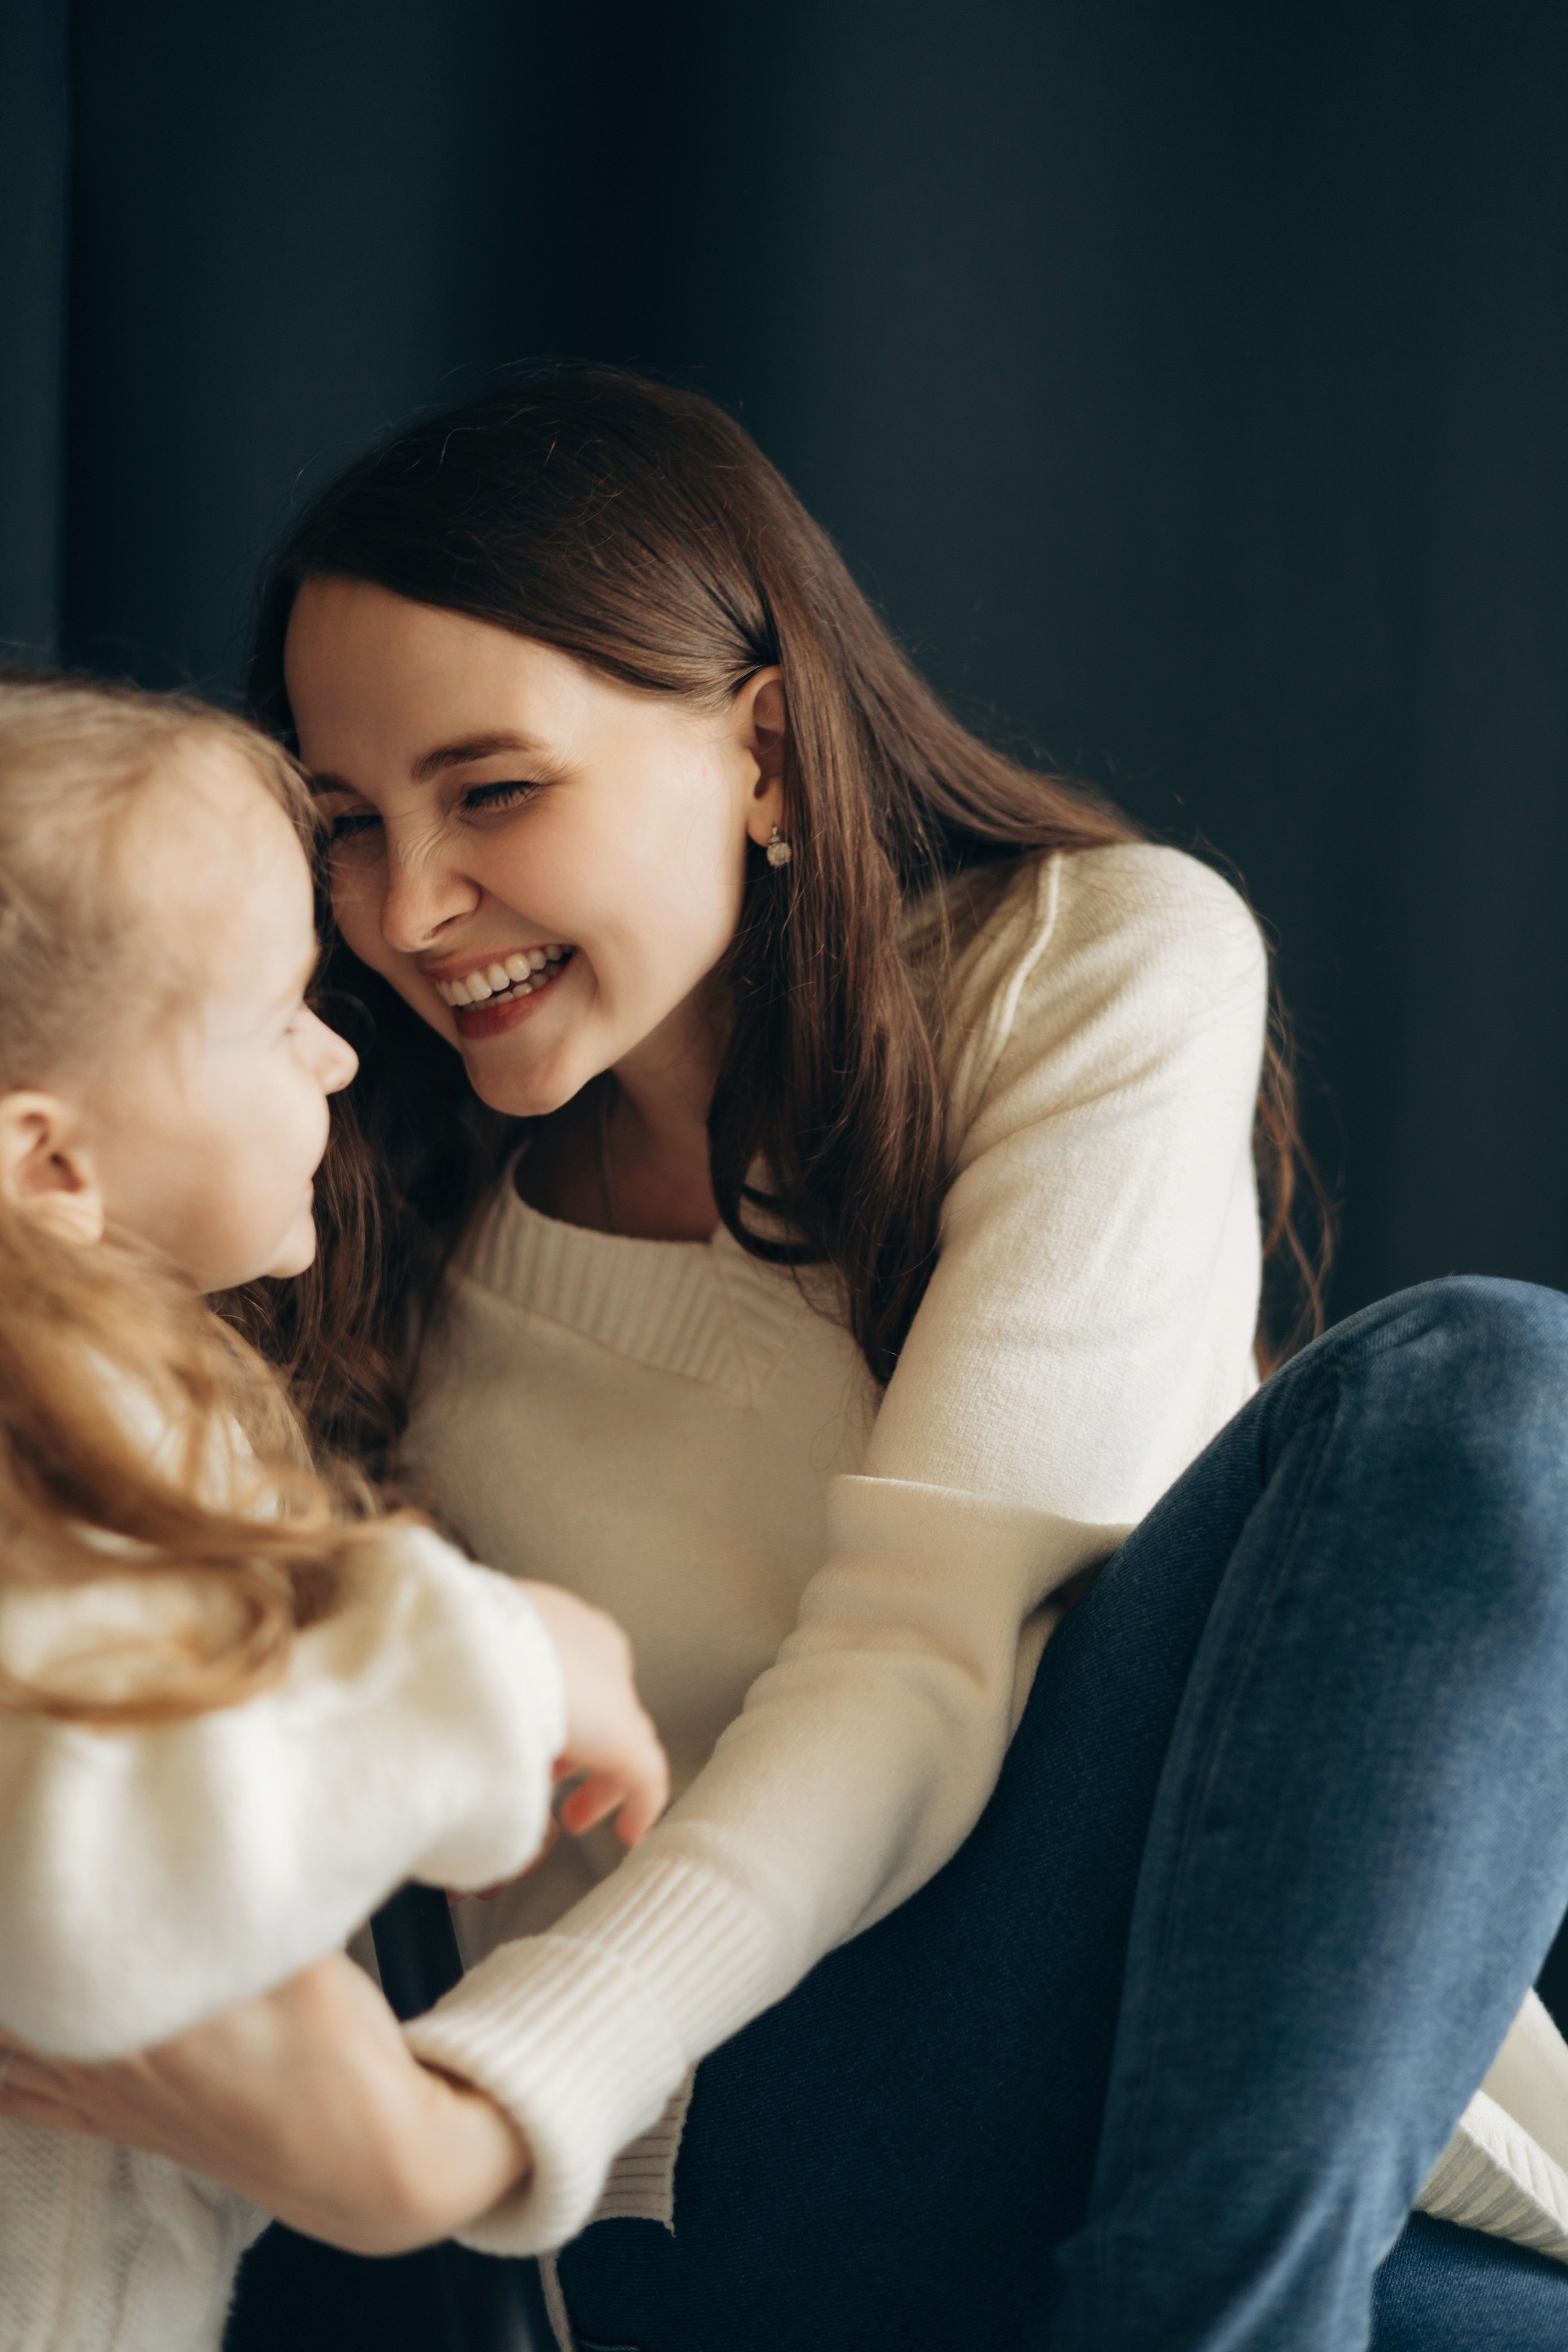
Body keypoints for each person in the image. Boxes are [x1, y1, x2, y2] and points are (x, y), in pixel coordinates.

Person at [14, 375, 1568, 2352]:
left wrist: (464, 2122)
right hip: (741, 2177)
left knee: (1489, 1398)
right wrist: (455, 2126)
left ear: (761, 752)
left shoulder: (1090, 969)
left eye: (492, 794)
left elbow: (921, 1659)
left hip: (1239, 2116)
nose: (404, 914)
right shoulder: (328, 1212)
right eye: (347, 827)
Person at [0, 676, 667, 2352]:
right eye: (278, 1009)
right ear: (52, 1167)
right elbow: (92, 1886)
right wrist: (513, 1665)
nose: (340, 1048)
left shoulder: (154, 1403)